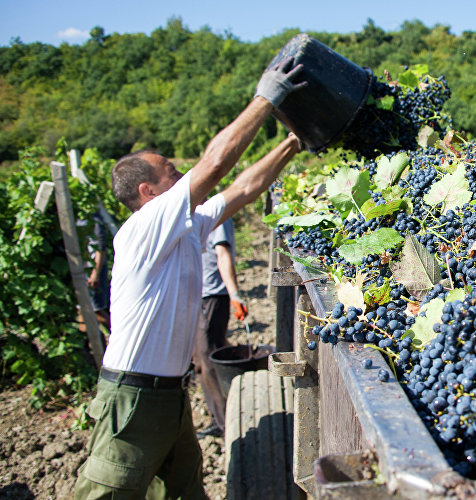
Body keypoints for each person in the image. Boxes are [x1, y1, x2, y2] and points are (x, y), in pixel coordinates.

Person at [74, 57, 307, 499]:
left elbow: (242, 188)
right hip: (132, 399)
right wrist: (267, 98)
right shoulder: (142, 229)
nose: (183, 176)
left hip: (169, 396)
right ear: (149, 192)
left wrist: (294, 142)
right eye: (172, 173)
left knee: (183, 493)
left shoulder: (185, 229)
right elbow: (215, 165)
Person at [192, 216, 246, 439]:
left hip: (212, 294)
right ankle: (222, 417)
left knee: (208, 359)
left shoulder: (216, 215)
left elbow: (223, 254)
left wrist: (234, 294)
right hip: (200, 295)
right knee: (201, 359)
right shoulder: (195, 214)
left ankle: (227, 425)